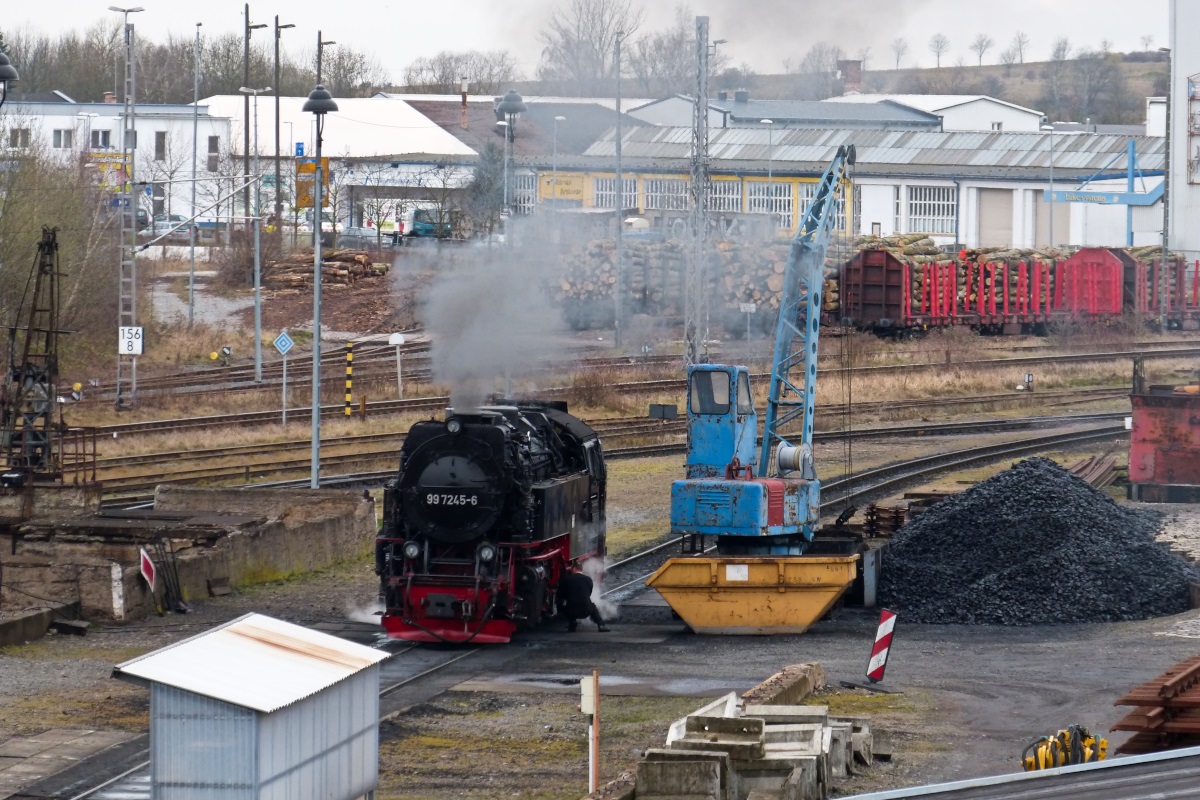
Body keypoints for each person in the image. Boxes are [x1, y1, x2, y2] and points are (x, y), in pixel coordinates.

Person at [558, 562, 609, 632]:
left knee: (563, 606)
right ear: (581, 570)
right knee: (593, 607)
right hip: (586, 611)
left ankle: (572, 622)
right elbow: (589, 594)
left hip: (571, 611)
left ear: (574, 569)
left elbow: (560, 595)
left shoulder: (566, 580)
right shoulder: (588, 579)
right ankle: (601, 625)